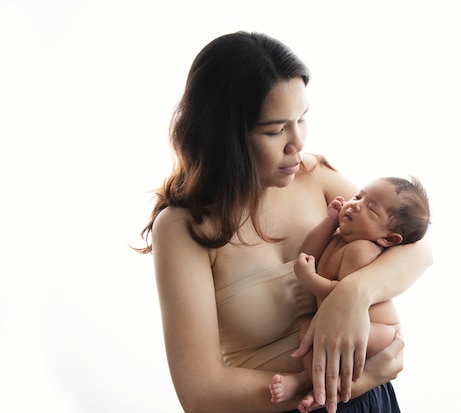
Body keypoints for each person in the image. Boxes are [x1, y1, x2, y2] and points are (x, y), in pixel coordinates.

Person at [137, 31, 433, 413]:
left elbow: (418, 249)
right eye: (275, 130)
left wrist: (352, 294)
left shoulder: (315, 175)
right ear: (226, 137)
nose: (297, 143)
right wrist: (357, 380)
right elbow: (202, 394)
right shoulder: (184, 228)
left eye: (302, 119)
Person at [269, 176, 430, 411]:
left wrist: (310, 280)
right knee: (307, 330)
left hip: (381, 334)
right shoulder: (341, 237)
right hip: (344, 328)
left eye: (371, 209)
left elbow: (341, 294)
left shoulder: (361, 250)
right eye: (358, 196)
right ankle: (310, 379)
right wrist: (329, 222)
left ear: (388, 238)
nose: (356, 204)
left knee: (315, 334)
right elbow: (307, 254)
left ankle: (305, 382)